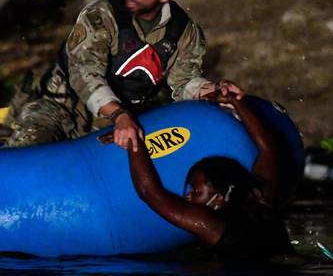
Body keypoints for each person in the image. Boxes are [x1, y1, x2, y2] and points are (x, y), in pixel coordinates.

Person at [6, 0, 243, 149]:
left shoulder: (183, 32)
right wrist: (118, 114)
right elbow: (84, 72)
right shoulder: (102, 15)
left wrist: (213, 91)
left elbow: (184, 81)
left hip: (117, 125)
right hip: (61, 109)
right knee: (27, 152)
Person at [100, 89, 294, 261]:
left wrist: (134, 141)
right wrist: (236, 102)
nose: (187, 196)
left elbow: (150, 193)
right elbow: (268, 149)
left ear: (218, 198)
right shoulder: (263, 198)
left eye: (196, 190)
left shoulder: (213, 225)